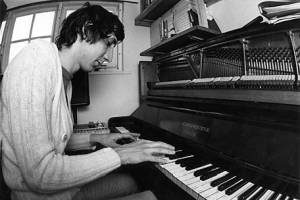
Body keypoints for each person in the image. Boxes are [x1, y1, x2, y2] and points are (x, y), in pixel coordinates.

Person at [0, 2, 175, 200]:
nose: (108, 57)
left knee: (133, 182)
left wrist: (96, 139)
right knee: (152, 197)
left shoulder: (64, 78)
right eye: (109, 43)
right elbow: (40, 174)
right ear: (86, 30)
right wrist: (123, 154)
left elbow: (54, 138)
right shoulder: (34, 62)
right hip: (39, 196)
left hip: (63, 190)